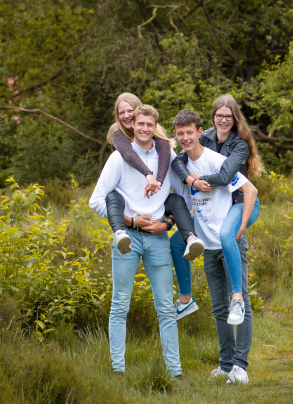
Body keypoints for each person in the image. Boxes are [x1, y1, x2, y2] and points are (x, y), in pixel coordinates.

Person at [89, 104, 184, 377]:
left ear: (155, 127)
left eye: (149, 125)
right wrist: (130, 221)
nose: (144, 129)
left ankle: (175, 372)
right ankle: (118, 370)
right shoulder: (119, 158)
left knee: (166, 307)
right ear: (133, 125)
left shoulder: (168, 156)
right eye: (139, 124)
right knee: (120, 304)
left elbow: (180, 197)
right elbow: (95, 200)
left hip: (158, 239)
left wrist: (167, 223)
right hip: (127, 238)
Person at [172, 109, 259, 384]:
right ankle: (225, 365)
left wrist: (241, 227)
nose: (186, 138)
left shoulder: (215, 161)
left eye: (190, 132)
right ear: (175, 136)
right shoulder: (182, 167)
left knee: (239, 302)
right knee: (219, 308)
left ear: (201, 133)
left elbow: (250, 191)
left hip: (229, 239)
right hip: (207, 243)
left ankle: (240, 367)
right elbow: (184, 203)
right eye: (180, 133)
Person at [104, 94, 205, 321]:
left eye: (131, 110)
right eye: (122, 112)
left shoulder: (158, 139)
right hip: (129, 211)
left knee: (177, 209)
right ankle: (119, 230)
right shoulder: (118, 135)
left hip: (159, 210)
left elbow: (170, 159)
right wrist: (130, 220)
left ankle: (191, 244)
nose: (127, 115)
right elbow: (129, 154)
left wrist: (168, 222)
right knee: (113, 196)